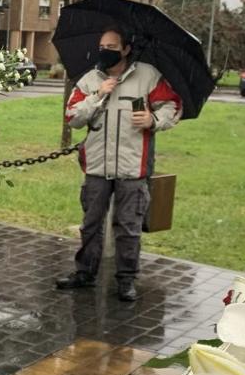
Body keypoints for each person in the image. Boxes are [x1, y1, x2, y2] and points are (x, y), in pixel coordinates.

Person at [56, 26, 182, 302]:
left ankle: (126, 279)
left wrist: (153, 120)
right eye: (102, 46)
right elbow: (73, 117)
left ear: (126, 49)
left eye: (112, 47)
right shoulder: (90, 79)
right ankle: (85, 273)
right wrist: (97, 95)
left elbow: (172, 105)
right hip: (97, 167)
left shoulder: (147, 76)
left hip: (132, 167)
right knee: (90, 223)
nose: (105, 52)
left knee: (128, 226)